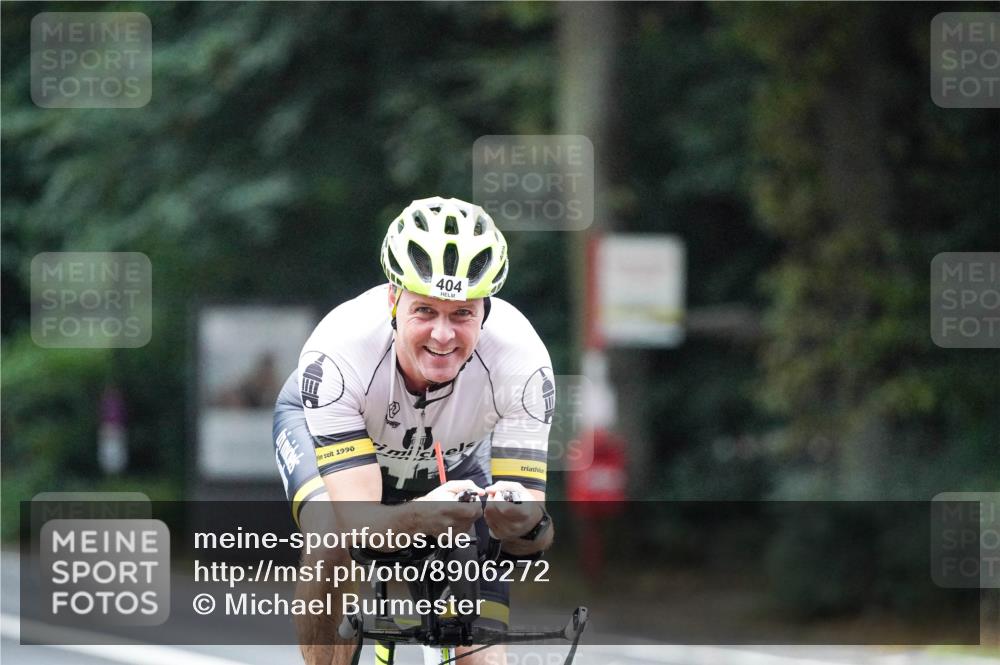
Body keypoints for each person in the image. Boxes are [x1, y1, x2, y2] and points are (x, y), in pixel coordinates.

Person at [273, 196, 555, 665]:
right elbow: (360, 526)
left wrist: (526, 523)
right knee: (331, 537)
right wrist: (419, 517)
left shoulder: (522, 364)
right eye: (425, 311)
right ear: (393, 299)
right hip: (343, 450)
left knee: (478, 649)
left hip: (451, 456)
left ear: (486, 309)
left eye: (462, 314)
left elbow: (534, 536)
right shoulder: (339, 355)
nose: (443, 336)